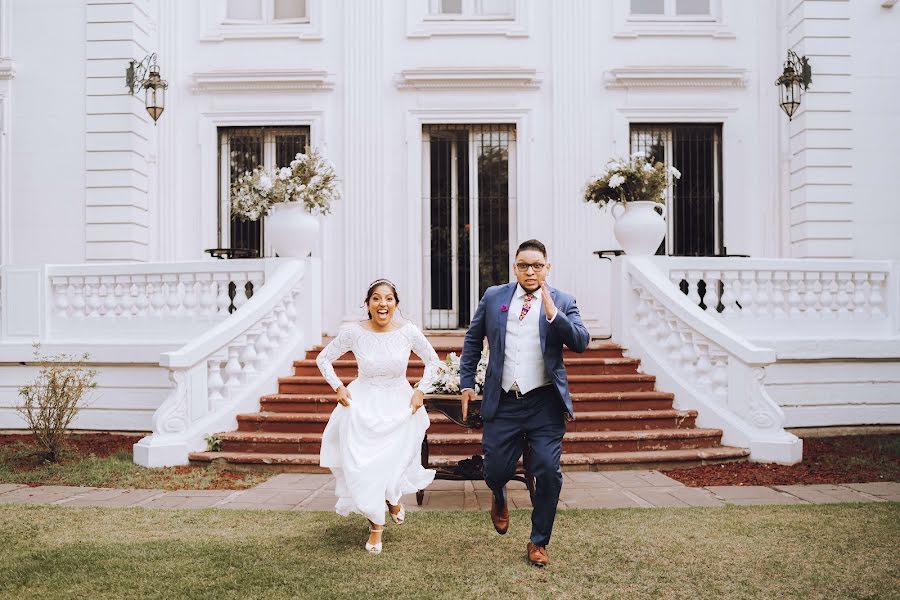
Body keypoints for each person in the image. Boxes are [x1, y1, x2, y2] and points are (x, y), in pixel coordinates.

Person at [459, 239, 590, 567]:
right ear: (514, 267)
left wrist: (553, 315)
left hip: (544, 402)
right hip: (504, 401)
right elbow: (473, 340)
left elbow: (580, 342)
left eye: (536, 265)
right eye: (523, 265)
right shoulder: (494, 297)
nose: (529, 271)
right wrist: (465, 384)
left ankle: (538, 542)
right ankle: (499, 494)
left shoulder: (563, 301)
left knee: (547, 470)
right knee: (495, 470)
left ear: (548, 267)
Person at [316, 279, 440, 554]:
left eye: (388, 299)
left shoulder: (408, 331)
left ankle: (393, 496)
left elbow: (434, 361)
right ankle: (376, 526)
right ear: (368, 303)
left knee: (392, 463)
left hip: (400, 405)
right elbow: (323, 358)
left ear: (395, 303)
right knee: (364, 466)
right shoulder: (354, 332)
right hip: (362, 405)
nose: (382, 304)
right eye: (376, 298)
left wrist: (421, 390)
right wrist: (338, 387)